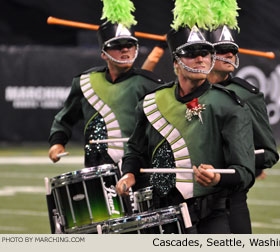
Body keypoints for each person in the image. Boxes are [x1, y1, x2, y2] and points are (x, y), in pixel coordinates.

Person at [115, 6, 256, 232]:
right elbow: (135, 150)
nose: (200, 58)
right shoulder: (150, 102)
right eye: (191, 53)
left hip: (212, 215)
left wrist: (218, 178)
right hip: (162, 214)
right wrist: (129, 174)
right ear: (175, 63)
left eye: (205, 52)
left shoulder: (229, 104)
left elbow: (245, 171)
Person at [48, 19, 163, 167]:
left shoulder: (150, 84)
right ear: (104, 53)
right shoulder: (85, 82)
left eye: (130, 45)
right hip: (96, 170)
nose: (125, 50)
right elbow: (65, 119)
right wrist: (57, 142)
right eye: (117, 45)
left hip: (138, 170)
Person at [207, 24, 279, 233]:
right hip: (190, 204)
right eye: (222, 50)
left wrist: (233, 160)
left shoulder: (246, 95)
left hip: (230, 201)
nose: (230, 54)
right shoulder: (187, 92)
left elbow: (269, 153)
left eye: (233, 50)